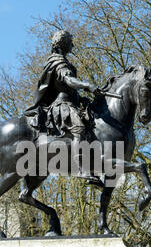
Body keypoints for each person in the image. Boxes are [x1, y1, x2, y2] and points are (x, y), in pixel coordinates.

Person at [24, 30, 103, 181]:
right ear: (63, 44)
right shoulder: (58, 62)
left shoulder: (62, 61)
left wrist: (82, 98)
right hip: (62, 106)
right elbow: (69, 81)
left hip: (71, 102)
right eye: (70, 42)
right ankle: (82, 169)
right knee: (79, 129)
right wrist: (88, 85)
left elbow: (68, 89)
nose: (73, 45)